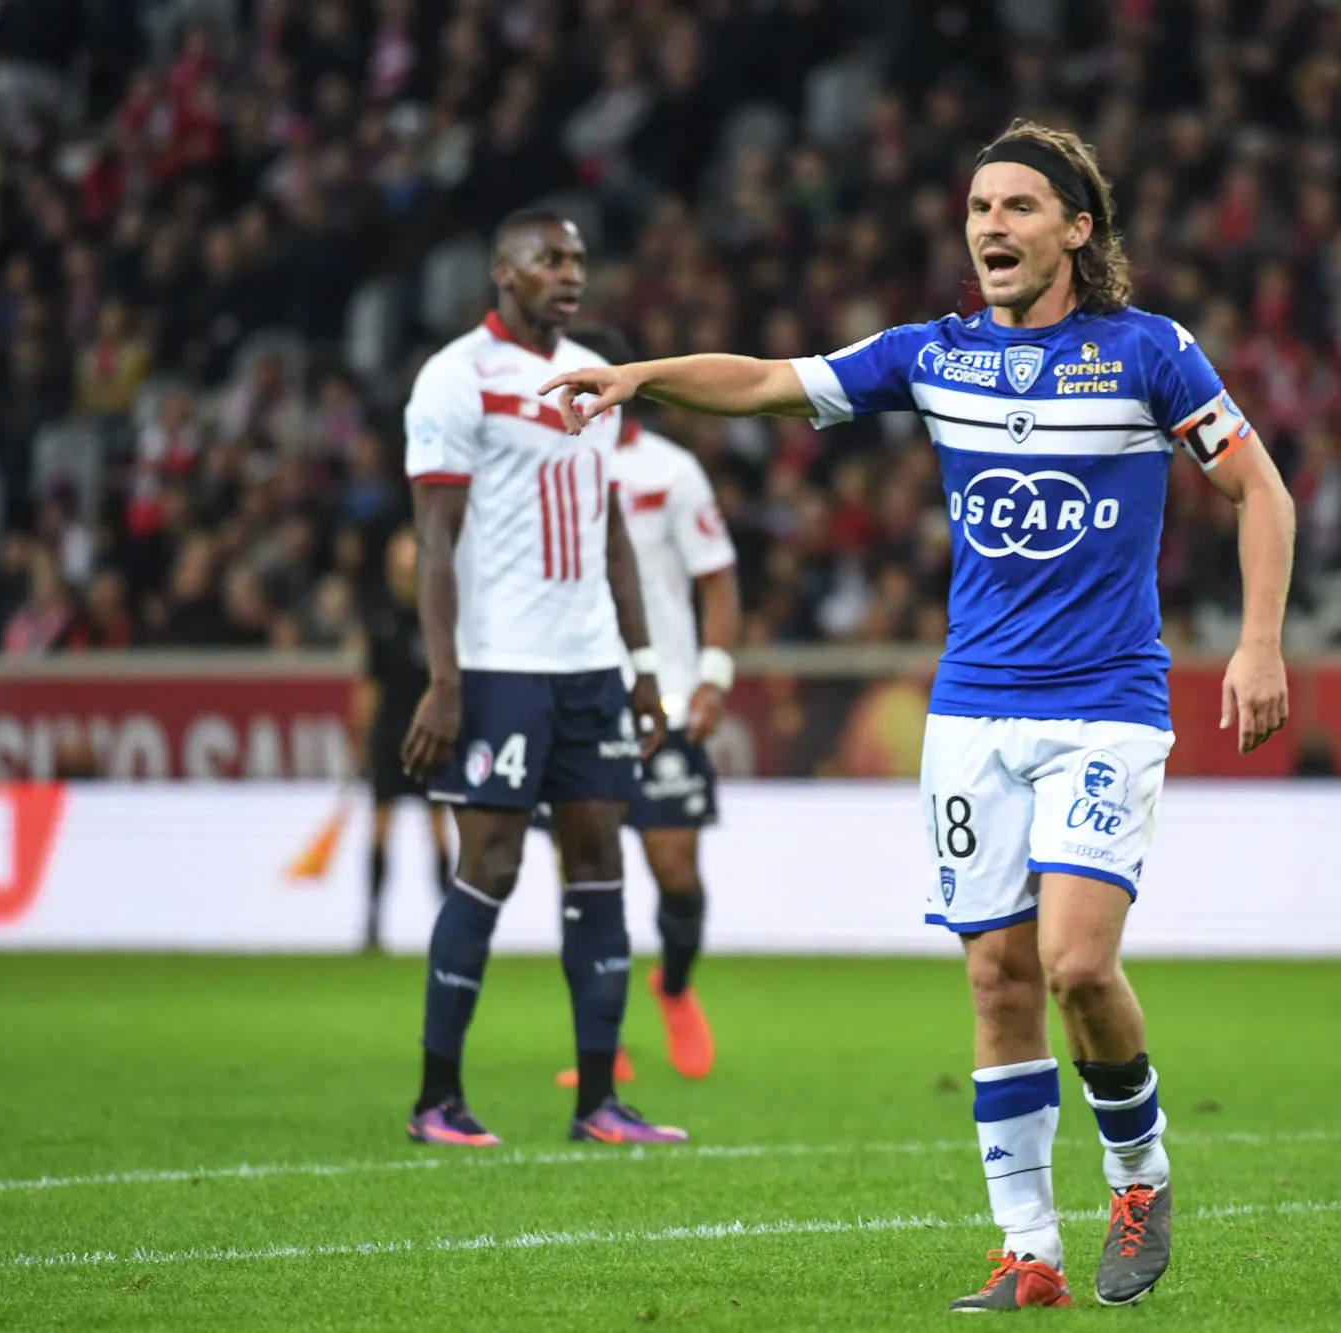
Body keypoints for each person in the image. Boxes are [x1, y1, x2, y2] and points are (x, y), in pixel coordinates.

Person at [540, 122, 1295, 1310]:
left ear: (1076, 230)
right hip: (972, 714)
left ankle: (1138, 1173)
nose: (991, 224)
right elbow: (772, 383)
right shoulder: (934, 357)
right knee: (997, 977)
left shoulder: (1149, 354)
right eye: (979, 207)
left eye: (1018, 206)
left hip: (1103, 705)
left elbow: (1259, 488)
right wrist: (639, 378)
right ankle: (1028, 1249)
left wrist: (1257, 642)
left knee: (1075, 963)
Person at [400, 208, 686, 1149]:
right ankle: (437, 1098)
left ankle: (597, 1101)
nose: (569, 273)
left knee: (599, 863)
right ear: (503, 270)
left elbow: (611, 533)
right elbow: (433, 544)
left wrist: (642, 665)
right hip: (500, 667)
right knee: (489, 865)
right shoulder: (458, 377)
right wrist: (445, 678)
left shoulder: (595, 379)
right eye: (549, 259)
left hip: (591, 668)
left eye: (577, 259)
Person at [553, 401, 740, 1089]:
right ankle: (600, 1039)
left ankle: (675, 985)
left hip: (668, 699)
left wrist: (713, 677)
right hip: (577, 697)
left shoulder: (671, 470)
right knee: (584, 875)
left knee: (676, 871)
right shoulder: (543, 459)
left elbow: (717, 578)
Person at [356, 524, 452, 952]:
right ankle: (373, 920)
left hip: (431, 737)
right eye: (400, 564)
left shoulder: (440, 616)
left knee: (439, 828)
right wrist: (363, 736)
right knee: (380, 827)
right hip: (389, 734)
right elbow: (369, 684)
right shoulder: (380, 618)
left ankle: (448, 921)